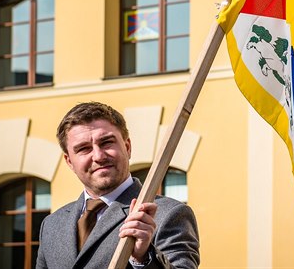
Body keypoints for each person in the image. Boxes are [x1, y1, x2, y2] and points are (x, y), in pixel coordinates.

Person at [36, 101, 200, 269]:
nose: (98, 156)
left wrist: (143, 258)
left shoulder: (167, 215)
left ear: (127, 147)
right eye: (84, 148)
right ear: (69, 161)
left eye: (106, 142)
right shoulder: (51, 225)